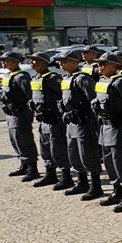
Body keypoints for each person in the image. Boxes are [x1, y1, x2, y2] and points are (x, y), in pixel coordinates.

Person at [91, 52, 122, 213]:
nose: (99, 66)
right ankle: (116, 190)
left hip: (118, 126)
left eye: (103, 64)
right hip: (104, 126)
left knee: (121, 161)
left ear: (113, 65)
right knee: (109, 160)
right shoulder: (102, 81)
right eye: (99, 64)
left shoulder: (120, 83)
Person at [56, 50, 103, 199]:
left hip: (84, 122)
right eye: (60, 61)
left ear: (75, 62)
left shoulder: (83, 79)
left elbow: (93, 102)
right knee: (74, 152)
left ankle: (96, 186)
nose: (61, 64)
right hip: (71, 122)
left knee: (87, 153)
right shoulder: (66, 79)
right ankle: (82, 182)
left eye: (64, 61)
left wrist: (84, 114)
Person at [27, 51, 72, 188]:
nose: (31, 63)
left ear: (43, 63)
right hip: (43, 120)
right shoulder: (35, 78)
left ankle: (66, 176)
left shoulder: (52, 78)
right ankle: (50, 173)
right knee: (45, 148)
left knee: (58, 147)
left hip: (54, 120)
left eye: (35, 60)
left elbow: (64, 95)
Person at [0, 51, 39, 181]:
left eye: (6, 60)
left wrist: (23, 110)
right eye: (3, 60)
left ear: (15, 62)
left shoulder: (21, 77)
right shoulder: (8, 75)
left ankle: (33, 168)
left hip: (20, 113)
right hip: (11, 112)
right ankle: (24, 164)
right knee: (15, 139)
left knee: (24, 140)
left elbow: (30, 97)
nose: (3, 62)